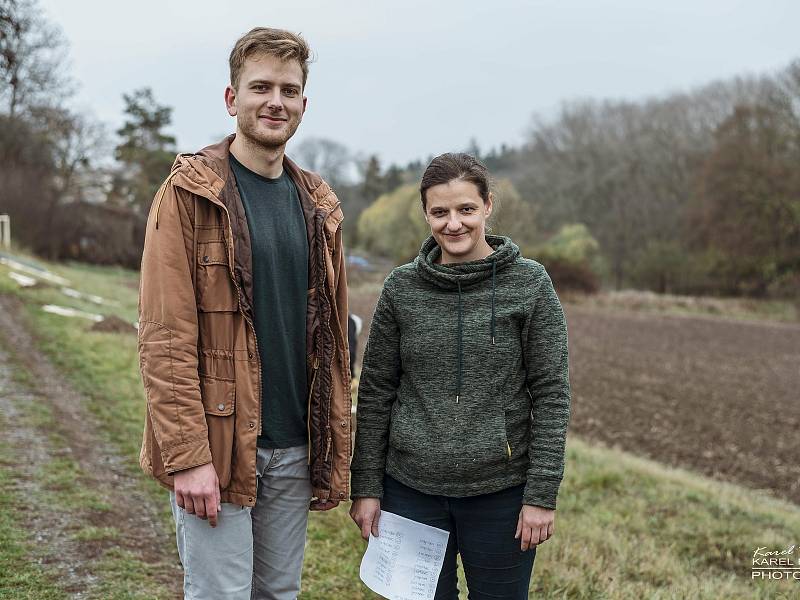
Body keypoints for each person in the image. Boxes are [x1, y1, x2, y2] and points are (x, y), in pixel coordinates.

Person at [137, 27, 351, 600]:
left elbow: (332, 343)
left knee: (279, 594)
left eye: (289, 89)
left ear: (304, 103)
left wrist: (333, 449)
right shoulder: (190, 193)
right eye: (260, 87)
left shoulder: (319, 206)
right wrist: (186, 457)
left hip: (294, 446)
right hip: (219, 445)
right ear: (232, 99)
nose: (274, 101)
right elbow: (165, 337)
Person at [350, 153, 571, 599]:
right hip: (410, 491)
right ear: (426, 214)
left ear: (487, 206)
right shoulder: (401, 289)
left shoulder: (530, 285)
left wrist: (541, 494)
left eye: (466, 209)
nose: (454, 223)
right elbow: (375, 393)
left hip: (501, 493)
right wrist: (367, 486)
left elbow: (551, 393)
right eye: (440, 212)